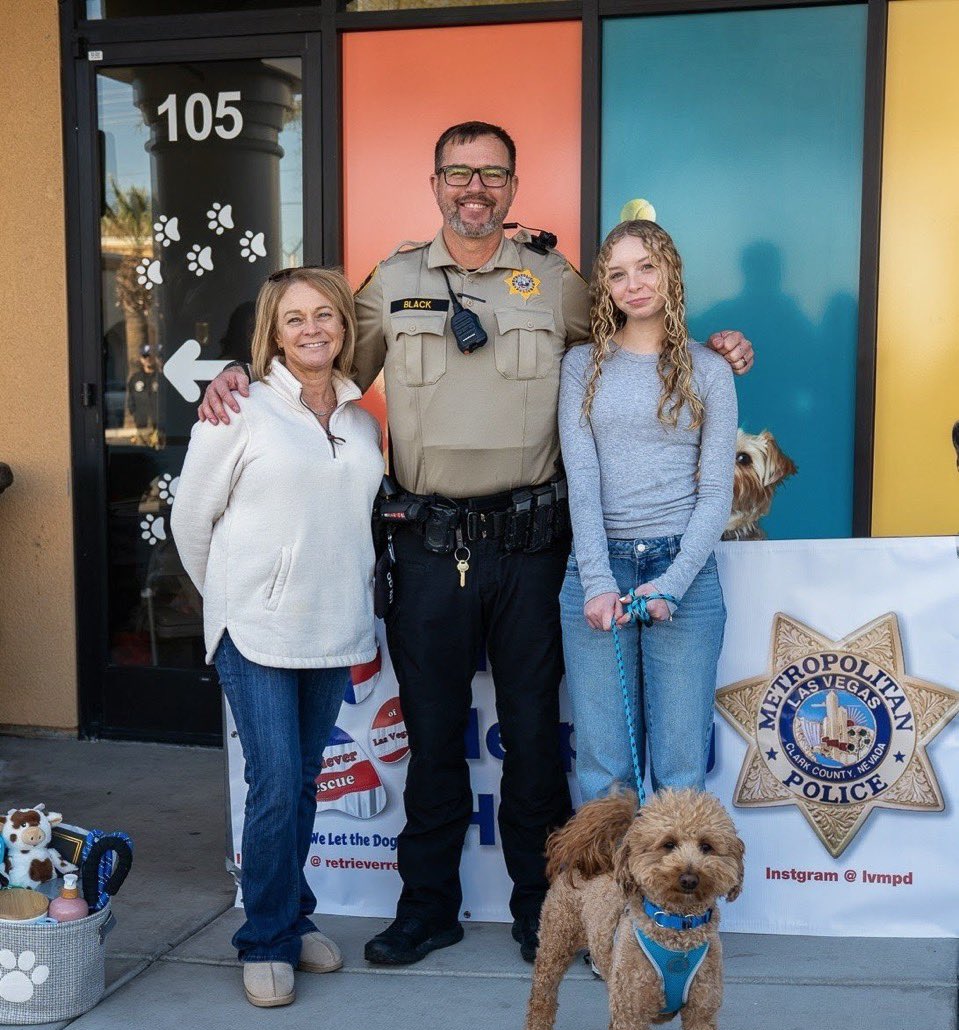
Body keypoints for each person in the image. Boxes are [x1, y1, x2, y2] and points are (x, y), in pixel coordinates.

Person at [198, 121, 753, 967]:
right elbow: (325, 360)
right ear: (435, 183)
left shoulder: (556, 280)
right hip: (426, 546)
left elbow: (637, 329)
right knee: (431, 736)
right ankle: (427, 907)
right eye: (458, 173)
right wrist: (239, 375)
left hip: (533, 547)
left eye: (491, 174)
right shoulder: (392, 281)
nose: (474, 188)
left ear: (511, 186)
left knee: (534, 738)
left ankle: (545, 909)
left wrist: (717, 347)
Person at [171, 268, 383, 1007]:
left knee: (300, 785)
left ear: (345, 326)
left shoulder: (362, 421)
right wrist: (234, 600)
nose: (312, 329)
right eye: (294, 319)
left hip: (333, 629)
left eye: (325, 314)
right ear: (273, 332)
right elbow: (189, 521)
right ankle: (263, 939)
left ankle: (290, 918)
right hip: (256, 632)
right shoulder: (240, 410)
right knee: (273, 787)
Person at [559, 220, 737, 804]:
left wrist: (674, 585)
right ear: (605, 288)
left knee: (681, 768)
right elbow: (581, 480)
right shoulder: (582, 365)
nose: (633, 284)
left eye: (646, 267)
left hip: (681, 571)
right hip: (598, 569)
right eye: (617, 274)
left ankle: (676, 900)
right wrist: (597, 582)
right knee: (603, 770)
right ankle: (604, 900)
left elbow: (716, 493)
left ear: (670, 273)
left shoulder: (708, 368)